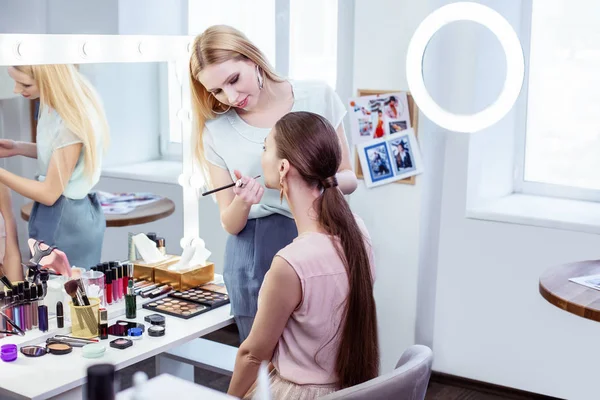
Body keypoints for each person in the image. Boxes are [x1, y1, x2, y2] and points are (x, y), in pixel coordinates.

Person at [189, 25, 358, 343]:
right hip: (256, 253)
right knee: (261, 364)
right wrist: (243, 201)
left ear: (252, 59)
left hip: (322, 237)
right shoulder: (217, 131)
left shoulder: (318, 95)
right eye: (216, 92)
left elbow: (350, 178)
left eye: (233, 80)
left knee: (324, 354)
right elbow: (230, 222)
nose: (231, 97)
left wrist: (317, 179)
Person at [227, 111, 378, 399]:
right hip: (350, 389)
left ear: (283, 167)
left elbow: (251, 355)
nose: (261, 156)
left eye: (265, 148)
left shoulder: (290, 264)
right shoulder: (358, 230)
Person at [1, 64, 109, 269]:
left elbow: (49, 193)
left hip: (64, 219)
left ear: (49, 79)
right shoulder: (54, 105)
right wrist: (17, 147)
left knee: (61, 294)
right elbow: (61, 155)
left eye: (24, 84)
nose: (16, 89)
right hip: (64, 212)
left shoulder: (72, 119)